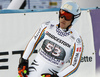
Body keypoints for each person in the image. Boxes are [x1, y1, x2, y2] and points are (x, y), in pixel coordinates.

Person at [18, 1, 83, 77]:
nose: (63, 18)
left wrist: (58, 76)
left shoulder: (76, 40)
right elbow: (33, 41)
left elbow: (74, 66)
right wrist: (23, 60)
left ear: (74, 19)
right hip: (31, 73)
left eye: (67, 16)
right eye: (62, 14)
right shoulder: (47, 26)